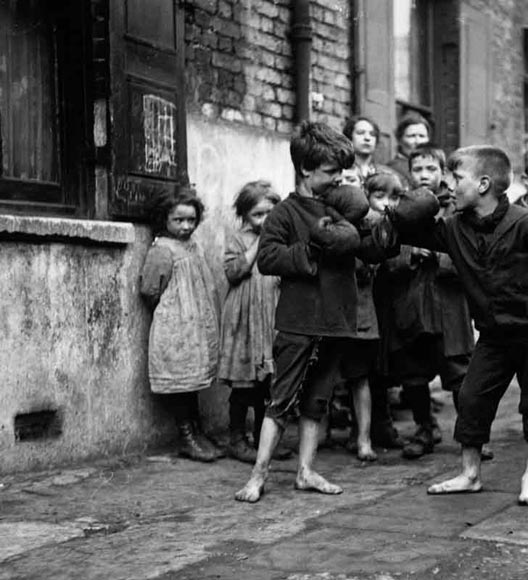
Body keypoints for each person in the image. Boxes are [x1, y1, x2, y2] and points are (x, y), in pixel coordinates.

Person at [387, 145, 528, 505]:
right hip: (493, 335)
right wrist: (419, 202)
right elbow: (410, 231)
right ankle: (469, 474)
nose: (450, 183)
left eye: (457, 178)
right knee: (471, 399)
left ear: (484, 184)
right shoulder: (454, 228)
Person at [235, 121, 369, 502]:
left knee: (317, 401)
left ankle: (306, 472)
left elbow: (361, 249)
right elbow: (268, 258)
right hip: (298, 320)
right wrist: (313, 248)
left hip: (335, 319)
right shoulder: (284, 214)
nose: (338, 180)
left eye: (342, 172)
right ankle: (258, 475)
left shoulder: (342, 209)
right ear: (306, 169)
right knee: (281, 399)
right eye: (331, 172)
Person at [384, 144, 476, 460]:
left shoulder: (459, 210)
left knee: (460, 375)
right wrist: (410, 254)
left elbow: (472, 256)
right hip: (411, 305)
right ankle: (425, 428)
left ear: (443, 173)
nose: (424, 175)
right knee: (413, 373)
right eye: (418, 169)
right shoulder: (401, 210)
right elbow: (384, 256)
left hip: (449, 306)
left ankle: (472, 435)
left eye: (431, 169)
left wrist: (437, 256)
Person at [139, 186, 221, 463]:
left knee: (192, 379)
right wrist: (173, 311)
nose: (186, 226)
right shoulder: (162, 250)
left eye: (191, 220)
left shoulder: (193, 245)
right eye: (179, 220)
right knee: (180, 383)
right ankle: (186, 436)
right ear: (164, 219)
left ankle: (197, 432)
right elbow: (150, 289)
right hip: (176, 326)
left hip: (195, 325)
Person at [339, 170, 404, 463]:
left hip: (373, 313)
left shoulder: (386, 228)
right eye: (379, 196)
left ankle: (366, 435)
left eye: (392, 197)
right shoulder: (351, 225)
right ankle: (354, 433)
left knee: (366, 376)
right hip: (351, 313)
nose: (384, 204)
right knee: (351, 376)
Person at [219, 180, 282, 464]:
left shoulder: (281, 237)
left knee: (266, 384)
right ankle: (236, 438)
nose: (265, 220)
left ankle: (262, 441)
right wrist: (259, 243)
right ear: (244, 215)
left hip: (269, 316)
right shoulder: (238, 239)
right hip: (244, 319)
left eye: (270, 213)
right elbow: (234, 272)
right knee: (244, 385)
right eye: (258, 215)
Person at [387, 113, 431, 186]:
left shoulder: (436, 167)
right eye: (412, 136)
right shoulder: (392, 170)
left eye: (422, 136)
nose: (418, 141)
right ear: (400, 140)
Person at [343, 115, 385, 181]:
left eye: (372, 134)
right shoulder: (341, 171)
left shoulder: (385, 174)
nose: (367, 138)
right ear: (349, 138)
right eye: (360, 133)